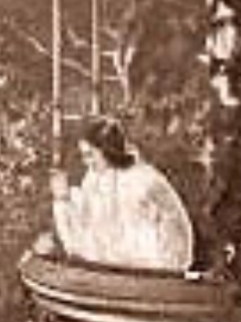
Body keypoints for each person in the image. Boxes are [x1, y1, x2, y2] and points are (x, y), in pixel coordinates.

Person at [44, 116, 194, 272]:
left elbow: (118, 233)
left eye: (90, 155)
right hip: (125, 258)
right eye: (84, 155)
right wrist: (63, 200)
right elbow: (88, 225)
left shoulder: (143, 180)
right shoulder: (96, 176)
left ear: (107, 150)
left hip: (158, 263)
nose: (86, 162)